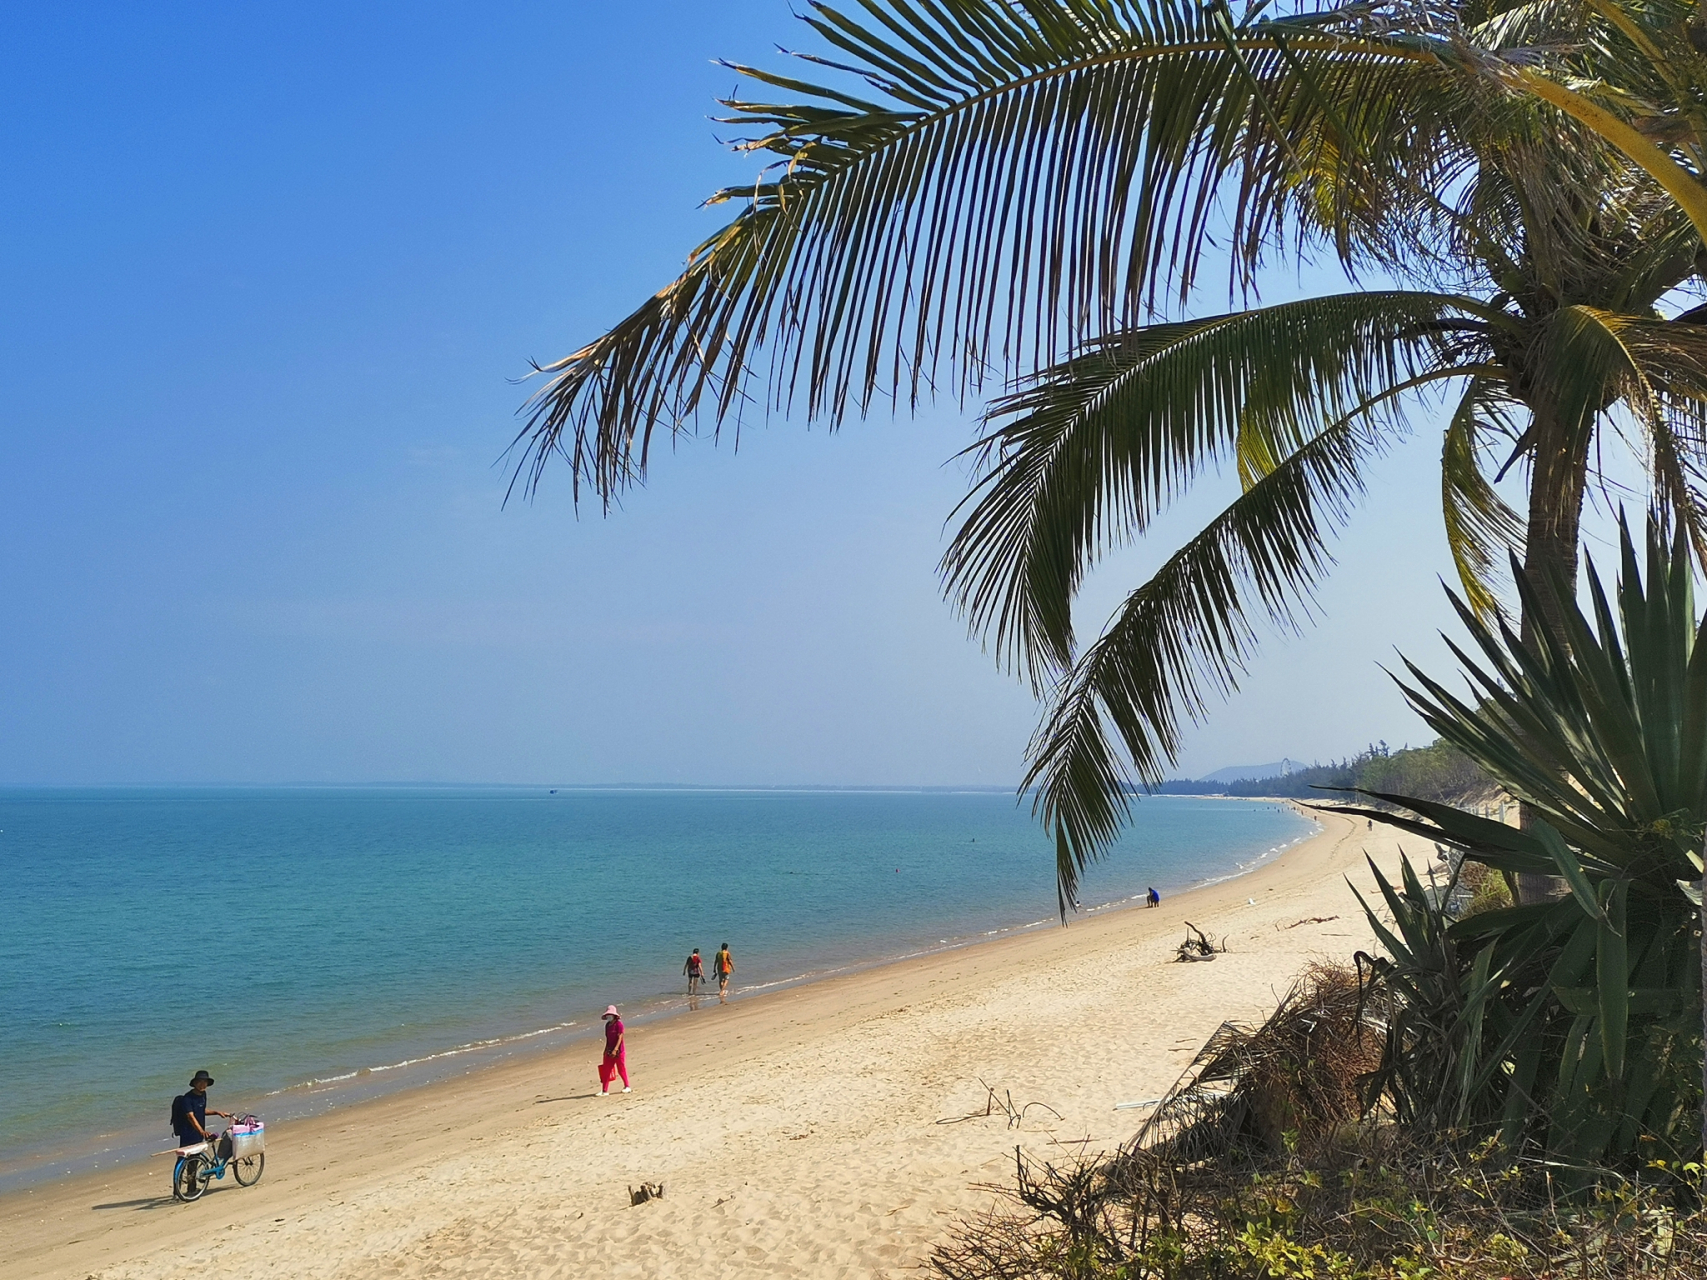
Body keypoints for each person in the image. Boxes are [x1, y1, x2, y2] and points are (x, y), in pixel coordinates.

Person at [170, 1070, 230, 1149]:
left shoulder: (203, 1094)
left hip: (199, 1131)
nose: (202, 1084)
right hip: (188, 1133)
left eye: (205, 1082)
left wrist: (217, 1112)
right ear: (195, 1083)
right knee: (186, 1155)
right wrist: (202, 1131)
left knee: (197, 1155)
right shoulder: (187, 1098)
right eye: (200, 1082)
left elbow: (201, 1110)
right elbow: (190, 1117)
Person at [598, 1005, 630, 1094]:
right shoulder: (607, 1025)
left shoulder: (619, 1024)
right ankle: (604, 1090)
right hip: (609, 1050)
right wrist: (605, 1051)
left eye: (610, 1015)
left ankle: (627, 1086)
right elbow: (608, 1039)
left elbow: (620, 1037)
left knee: (621, 1069)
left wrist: (615, 1049)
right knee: (606, 1070)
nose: (609, 1017)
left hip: (619, 1051)